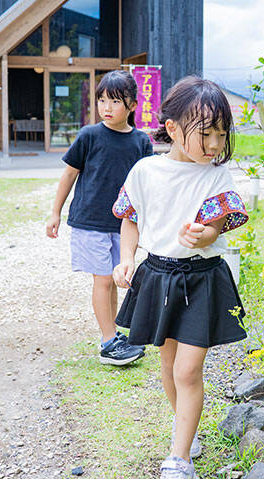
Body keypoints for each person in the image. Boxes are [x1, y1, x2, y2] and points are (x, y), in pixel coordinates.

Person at [111, 76, 248, 479]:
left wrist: (203, 235)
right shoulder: (146, 171)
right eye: (205, 133)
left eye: (221, 134)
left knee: (188, 371)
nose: (214, 143)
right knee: (169, 367)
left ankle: (178, 462)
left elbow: (218, 225)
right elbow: (129, 217)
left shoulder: (216, 177)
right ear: (172, 129)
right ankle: (184, 434)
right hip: (157, 275)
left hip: (201, 278)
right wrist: (127, 258)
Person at [46, 70, 152, 366]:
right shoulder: (89, 135)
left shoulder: (141, 142)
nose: (106, 107)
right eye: (102, 100)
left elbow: (145, 187)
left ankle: (114, 333)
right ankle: (108, 343)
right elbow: (69, 174)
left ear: (132, 105)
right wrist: (55, 212)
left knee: (118, 279)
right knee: (103, 280)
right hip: (89, 222)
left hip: (123, 225)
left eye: (115, 101)